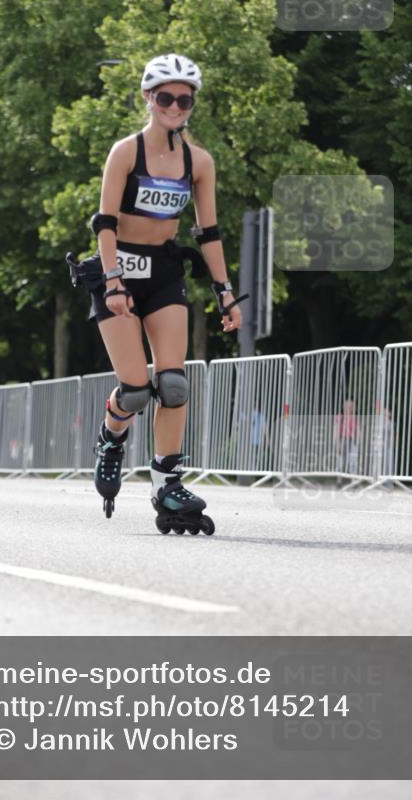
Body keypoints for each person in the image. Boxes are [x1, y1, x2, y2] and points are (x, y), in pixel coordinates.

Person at [84, 53, 244, 533]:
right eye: (166, 97)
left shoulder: (199, 162)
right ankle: (112, 439)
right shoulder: (126, 152)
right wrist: (112, 281)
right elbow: (104, 223)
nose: (176, 106)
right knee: (135, 391)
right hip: (117, 270)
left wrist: (226, 294)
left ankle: (166, 482)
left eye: (185, 99)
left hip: (163, 272)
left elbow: (208, 232)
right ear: (149, 99)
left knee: (173, 384)